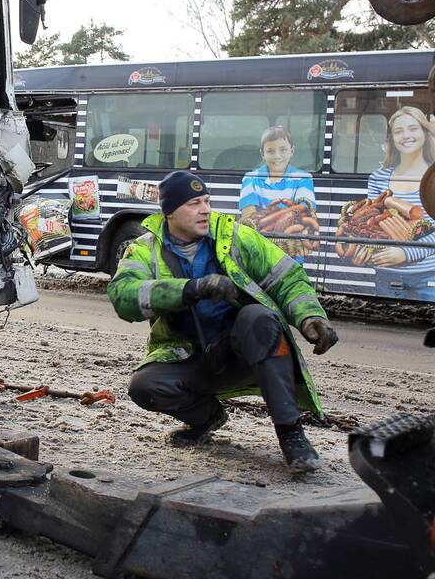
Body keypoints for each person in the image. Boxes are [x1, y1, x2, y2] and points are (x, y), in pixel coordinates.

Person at [107, 170, 339, 473]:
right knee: (145, 386)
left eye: (206, 201)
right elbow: (123, 296)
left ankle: (292, 436)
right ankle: (207, 417)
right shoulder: (145, 249)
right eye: (194, 204)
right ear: (170, 212)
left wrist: (310, 316)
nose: (205, 210)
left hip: (246, 352)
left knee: (259, 317)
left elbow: (287, 279)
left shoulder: (236, 237)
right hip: (190, 356)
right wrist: (190, 289)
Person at [364, 106, 435, 301]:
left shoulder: (432, 177)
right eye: (398, 131)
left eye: (413, 128)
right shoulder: (378, 178)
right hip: (386, 274)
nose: (406, 136)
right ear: (392, 140)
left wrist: (406, 253)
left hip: (429, 276)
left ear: (424, 132)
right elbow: (371, 227)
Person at [239, 126, 317, 261]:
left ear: (292, 151)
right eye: (270, 151)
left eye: (283, 150)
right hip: (258, 255)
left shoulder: (303, 178)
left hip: (292, 257)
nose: (277, 156)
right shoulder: (250, 178)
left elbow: (303, 214)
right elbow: (248, 218)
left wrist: (265, 220)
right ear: (262, 154)